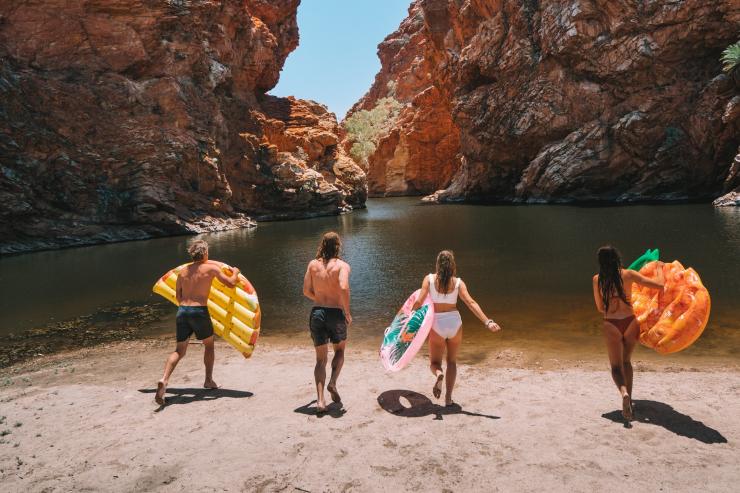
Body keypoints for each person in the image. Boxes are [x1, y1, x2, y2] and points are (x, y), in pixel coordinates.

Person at [154, 240, 240, 405]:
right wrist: (235, 272)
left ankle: (164, 380)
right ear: (205, 253)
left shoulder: (183, 271)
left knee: (179, 350)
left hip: (182, 312)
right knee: (208, 345)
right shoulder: (211, 268)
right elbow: (230, 283)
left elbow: (178, 297)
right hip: (199, 311)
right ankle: (208, 380)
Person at [411, 250, 501, 407]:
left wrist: (408, 318)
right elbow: (471, 303)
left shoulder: (429, 279)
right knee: (451, 361)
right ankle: (448, 398)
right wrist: (488, 322)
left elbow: (419, 302)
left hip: (437, 323)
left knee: (434, 363)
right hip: (454, 323)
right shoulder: (458, 283)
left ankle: (439, 374)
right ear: (452, 265)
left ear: (437, 263)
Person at [592, 245, 664, 420]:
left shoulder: (597, 279)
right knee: (626, 362)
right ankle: (629, 402)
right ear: (617, 258)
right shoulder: (628, 275)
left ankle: (623, 393)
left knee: (616, 367)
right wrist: (660, 267)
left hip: (611, 324)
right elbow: (659, 285)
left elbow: (601, 308)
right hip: (630, 322)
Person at [302, 232, 352, 414]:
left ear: (322, 245)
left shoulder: (313, 265)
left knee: (320, 360)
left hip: (317, 313)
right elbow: (344, 287)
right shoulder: (342, 266)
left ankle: (320, 401)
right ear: (338, 246)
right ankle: (332, 382)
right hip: (336, 313)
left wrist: (321, 299)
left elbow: (306, 291)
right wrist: (346, 311)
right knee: (339, 351)